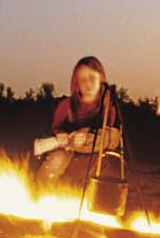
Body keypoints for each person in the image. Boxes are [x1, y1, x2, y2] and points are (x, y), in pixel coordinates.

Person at [33, 55, 124, 188]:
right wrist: (61, 134)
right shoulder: (66, 105)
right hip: (66, 151)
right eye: (82, 80)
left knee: (113, 135)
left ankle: (53, 144)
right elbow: (55, 128)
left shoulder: (108, 106)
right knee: (57, 158)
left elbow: (107, 135)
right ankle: (38, 194)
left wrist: (85, 132)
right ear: (76, 84)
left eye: (92, 78)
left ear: (101, 80)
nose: (88, 84)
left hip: (91, 148)